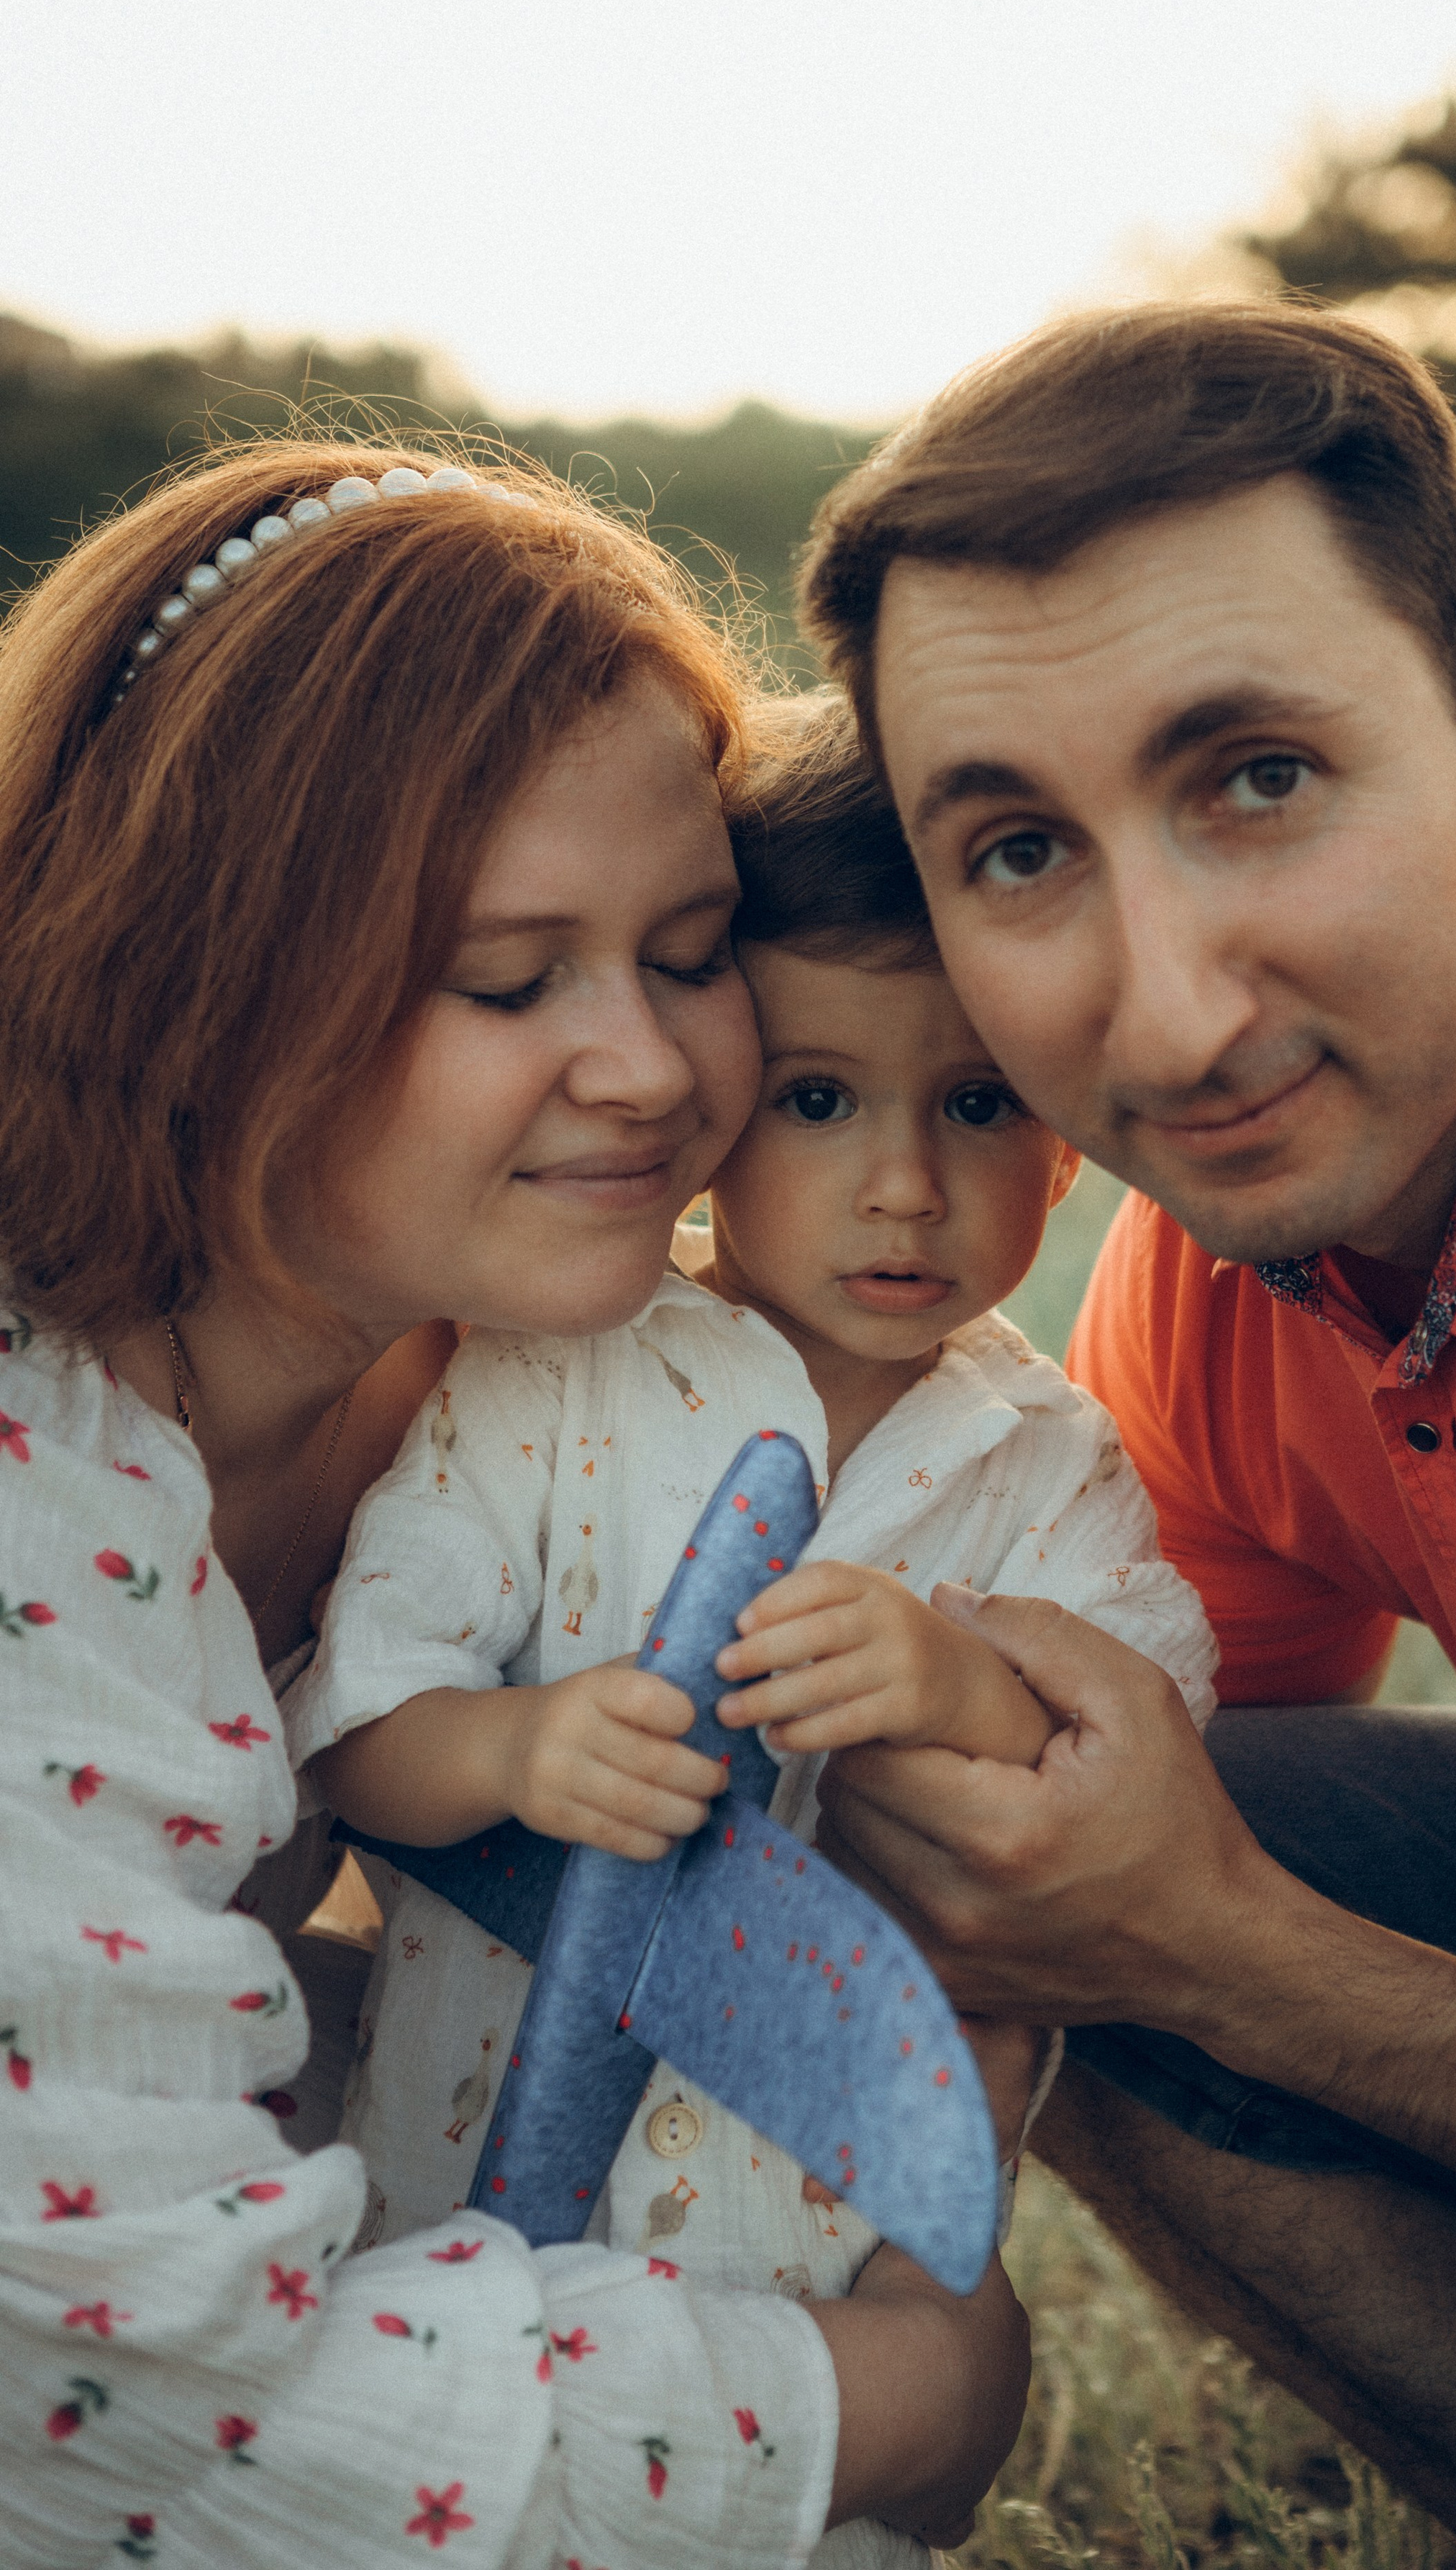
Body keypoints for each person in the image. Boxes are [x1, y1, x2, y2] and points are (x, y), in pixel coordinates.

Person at [792, 302, 1456, 2570]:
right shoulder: (1236, 1241)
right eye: (1015, 851)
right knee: (1008, 1820)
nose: (1165, 1017)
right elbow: (1144, 1849)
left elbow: (1209, 1945)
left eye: (1255, 778)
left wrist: (1222, 1948)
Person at [0, 444, 1028, 2569]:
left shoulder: (515, 1388)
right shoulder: (36, 1474)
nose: (649, 1068)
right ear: (197, 978)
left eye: (690, 950)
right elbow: (138, 2405)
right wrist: (867, 2406)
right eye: (508, 978)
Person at [285, 699, 1217, 2570]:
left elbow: (1144, 1774)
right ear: (711, 1111)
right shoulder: (552, 1382)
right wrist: (523, 1755)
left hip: (817, 2245)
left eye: (977, 1103)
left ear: (1067, 1128)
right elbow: (360, 1723)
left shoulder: (1044, 1464)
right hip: (458, 2194)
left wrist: (965, 1685)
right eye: (818, 1098)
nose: (904, 1183)